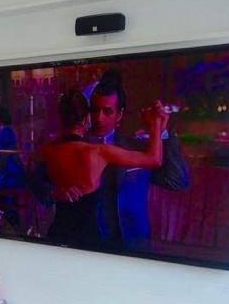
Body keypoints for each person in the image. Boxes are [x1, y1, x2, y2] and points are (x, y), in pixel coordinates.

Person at [41, 89, 167, 247]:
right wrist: (156, 123)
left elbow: (31, 180)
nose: (99, 118)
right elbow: (154, 159)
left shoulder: (46, 151)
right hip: (89, 239)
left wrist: (55, 192)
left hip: (57, 235)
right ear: (86, 118)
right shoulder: (97, 152)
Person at [82, 70, 191, 250]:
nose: (98, 118)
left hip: (132, 244)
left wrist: (162, 132)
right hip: (86, 244)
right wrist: (56, 192)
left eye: (107, 111)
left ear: (119, 115)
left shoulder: (137, 148)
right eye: (94, 110)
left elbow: (178, 181)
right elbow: (40, 183)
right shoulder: (76, 146)